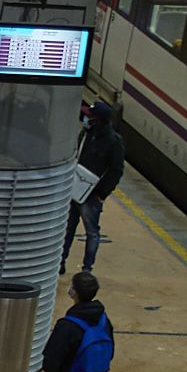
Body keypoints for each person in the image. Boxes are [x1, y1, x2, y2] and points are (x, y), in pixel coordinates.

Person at [65, 101, 122, 271]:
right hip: (75, 190)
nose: (86, 119)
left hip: (91, 195)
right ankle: (61, 262)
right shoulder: (86, 134)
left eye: (90, 116)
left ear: (98, 120)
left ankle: (87, 268)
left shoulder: (114, 142)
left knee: (92, 232)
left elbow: (116, 170)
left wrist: (102, 194)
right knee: (68, 228)